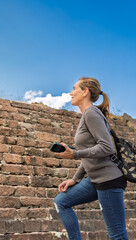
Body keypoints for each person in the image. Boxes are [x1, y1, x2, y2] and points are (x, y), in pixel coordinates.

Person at [54, 77, 129, 240]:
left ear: (85, 91)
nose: (70, 93)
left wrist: (74, 154)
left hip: (108, 180)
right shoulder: (88, 115)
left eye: (74, 89)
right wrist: (75, 179)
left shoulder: (91, 113)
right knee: (61, 201)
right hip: (95, 179)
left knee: (117, 235)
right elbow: (90, 153)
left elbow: (106, 147)